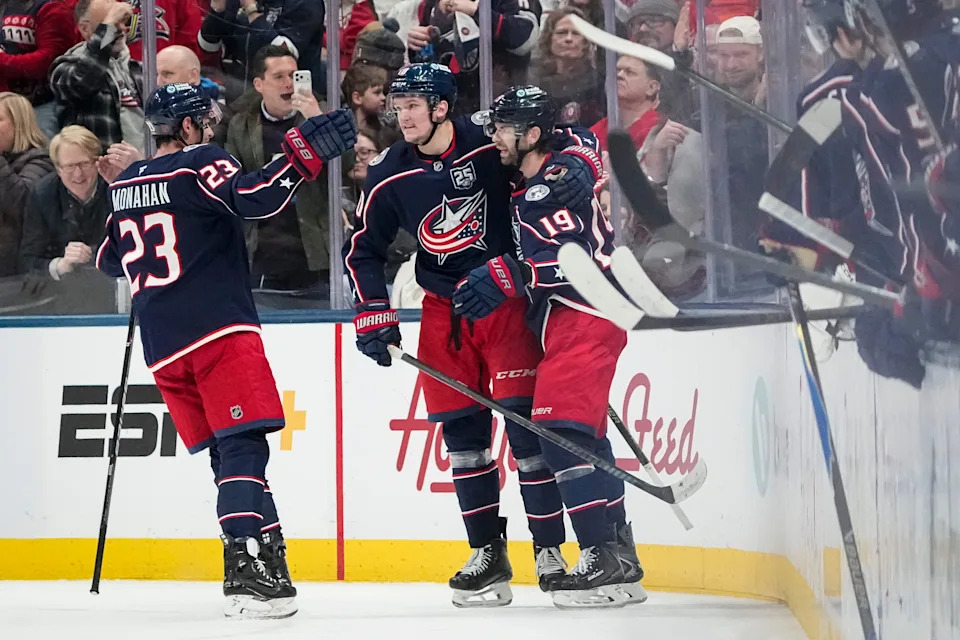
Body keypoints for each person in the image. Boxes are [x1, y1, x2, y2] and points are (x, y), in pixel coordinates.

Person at [343, 63, 601, 608]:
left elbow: (549, 132)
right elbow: (363, 248)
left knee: (528, 436)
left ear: (441, 107)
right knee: (463, 440)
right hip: (445, 311)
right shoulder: (389, 170)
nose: (402, 114)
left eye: (413, 104)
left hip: (506, 302)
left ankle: (550, 551)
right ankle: (488, 553)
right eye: (398, 104)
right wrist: (372, 310)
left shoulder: (490, 143)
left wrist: (580, 158)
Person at [96, 83, 357, 618]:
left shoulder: (124, 186)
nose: (210, 129)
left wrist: (126, 193)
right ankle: (241, 564)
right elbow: (257, 197)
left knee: (229, 453)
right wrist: (302, 153)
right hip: (216, 330)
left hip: (163, 345)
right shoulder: (200, 163)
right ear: (189, 127)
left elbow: (108, 260)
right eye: (205, 121)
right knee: (244, 447)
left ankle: (270, 557)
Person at [452, 85, 646, 609]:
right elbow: (576, 136)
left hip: (588, 311)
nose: (494, 138)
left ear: (532, 134)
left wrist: (512, 272)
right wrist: (584, 151)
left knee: (560, 431)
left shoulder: (544, 189)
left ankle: (599, 554)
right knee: (584, 434)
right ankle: (620, 556)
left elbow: (575, 261)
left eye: (504, 129)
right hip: (573, 317)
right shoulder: (542, 172)